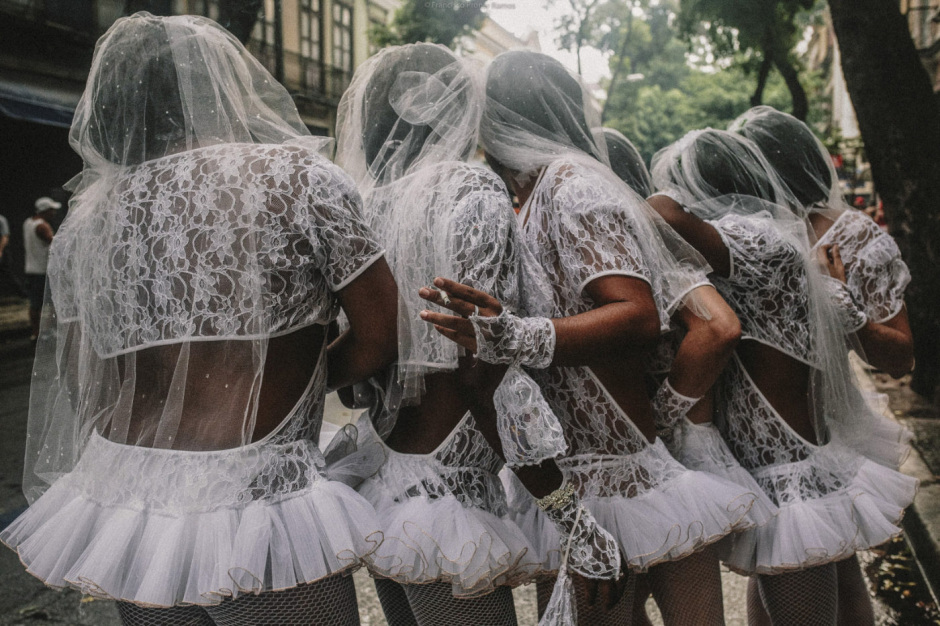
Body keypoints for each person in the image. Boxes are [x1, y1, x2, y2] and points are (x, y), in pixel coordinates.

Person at [0, 13, 398, 626]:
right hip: (256, 503)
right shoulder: (298, 181)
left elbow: (85, 383)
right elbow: (380, 335)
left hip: (130, 509)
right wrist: (285, 387)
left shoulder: (85, 225)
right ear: (222, 84)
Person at [421, 51, 758, 625]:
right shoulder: (529, 201)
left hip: (633, 476)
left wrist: (512, 335)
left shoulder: (576, 187)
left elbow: (636, 314)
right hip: (576, 483)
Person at [335, 42, 576, 626]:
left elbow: (358, 371)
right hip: (450, 486)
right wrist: (565, 507)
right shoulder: (474, 192)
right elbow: (481, 362)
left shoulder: (368, 203)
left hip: (388, 464)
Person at [648, 128, 917, 626]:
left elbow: (661, 215)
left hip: (791, 484)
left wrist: (659, 190)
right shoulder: (771, 242)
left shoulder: (756, 244)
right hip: (794, 471)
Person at [729, 105, 917, 626]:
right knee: (781, 563)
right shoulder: (742, 234)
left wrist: (839, 303)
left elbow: (899, 356)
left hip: (828, 430)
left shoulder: (852, 236)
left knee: (821, 566)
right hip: (759, 435)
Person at [23, 197, 59, 338]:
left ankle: (35, 332)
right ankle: (47, 330)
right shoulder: (43, 226)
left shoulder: (27, 222)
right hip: (43, 270)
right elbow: (55, 242)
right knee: (51, 302)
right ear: (45, 211)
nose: (54, 213)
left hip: (31, 268)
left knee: (34, 303)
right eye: (52, 210)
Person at [0, 212, 27, 298]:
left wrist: (0, 250)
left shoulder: (1, 219)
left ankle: (22, 293)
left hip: (2, 251)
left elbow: (5, 236)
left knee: (7, 273)